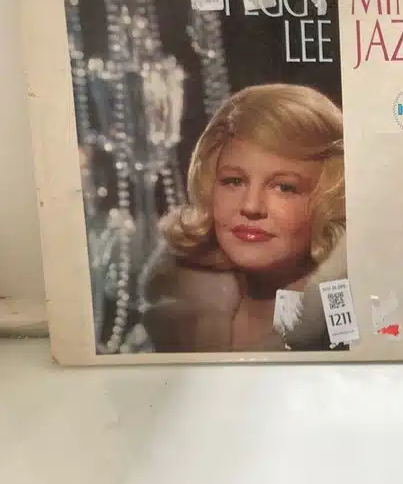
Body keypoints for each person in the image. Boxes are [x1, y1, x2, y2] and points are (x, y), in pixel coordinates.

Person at [140, 83, 347, 353]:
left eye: (284, 187)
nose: (251, 206)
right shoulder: (175, 307)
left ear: (330, 198)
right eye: (234, 181)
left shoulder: (342, 314)